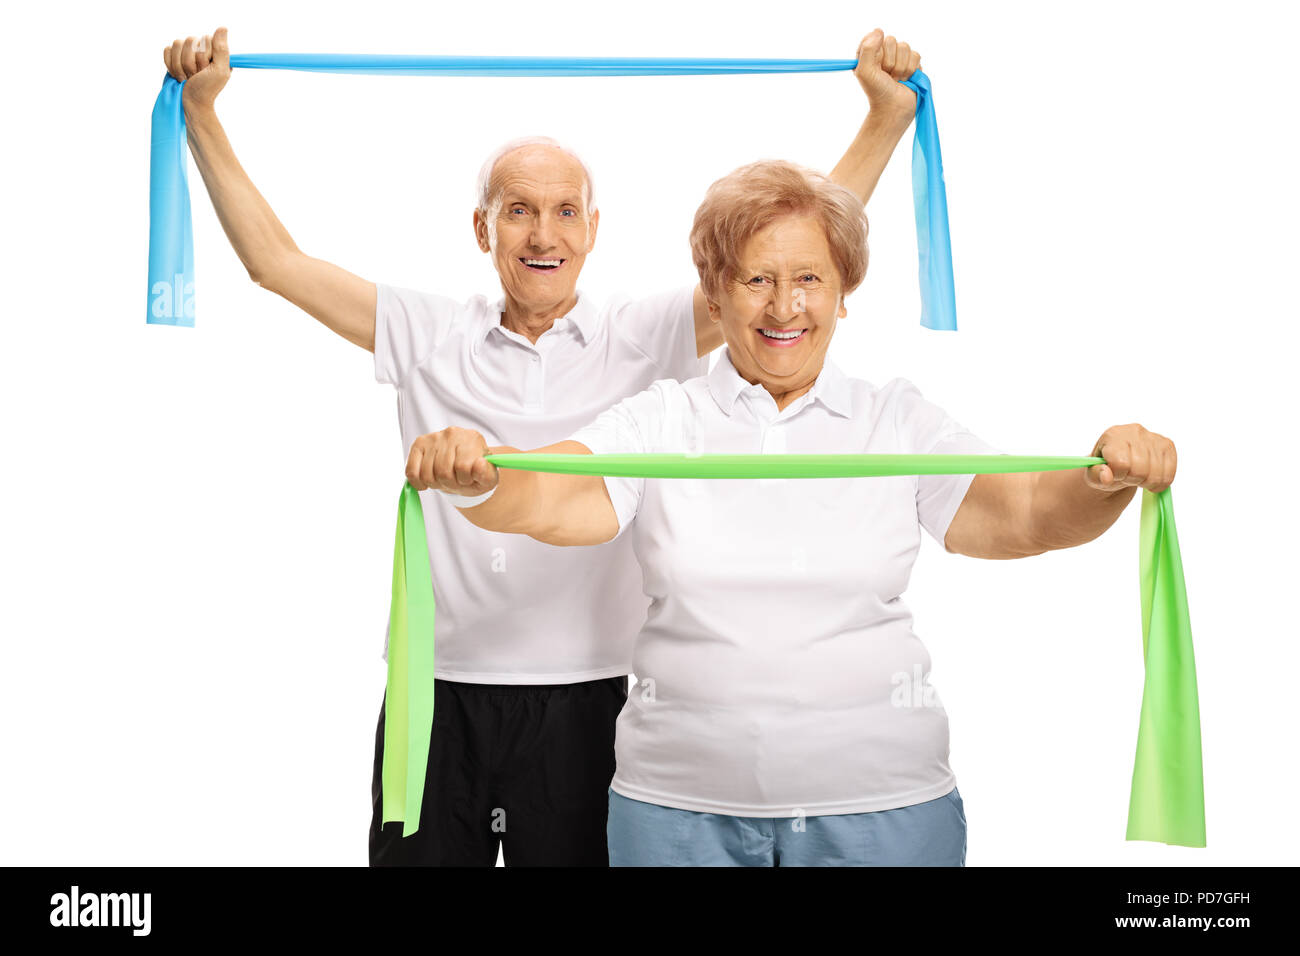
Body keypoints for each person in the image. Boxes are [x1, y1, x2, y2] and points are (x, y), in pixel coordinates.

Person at [162, 25, 926, 865]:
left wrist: (884, 121)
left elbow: (790, 246)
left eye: (565, 211)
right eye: (517, 210)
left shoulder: (648, 334)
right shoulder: (425, 332)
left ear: (593, 229)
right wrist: (203, 115)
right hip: (436, 693)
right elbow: (275, 263)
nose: (542, 233)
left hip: (589, 700)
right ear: (481, 228)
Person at [412, 158, 1179, 866]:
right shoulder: (661, 418)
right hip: (676, 816)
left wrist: (1102, 479)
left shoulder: (895, 421)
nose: (786, 306)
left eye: (810, 278)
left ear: (843, 294)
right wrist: (480, 480)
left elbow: (1024, 514)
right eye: (755, 281)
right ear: (714, 294)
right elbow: (556, 497)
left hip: (884, 810)